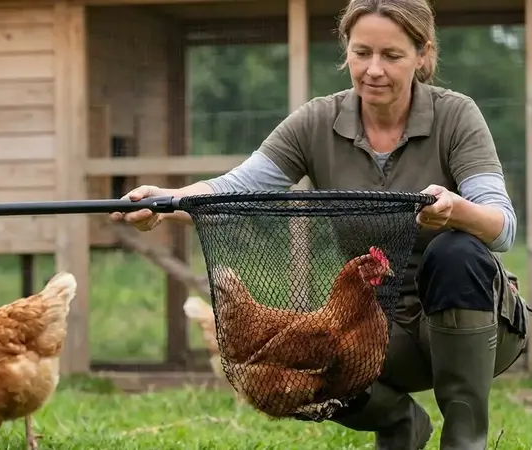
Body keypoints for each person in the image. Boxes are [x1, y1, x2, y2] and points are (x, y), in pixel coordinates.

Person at [109, 0, 530, 448]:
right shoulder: (317, 121)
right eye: (361, 52)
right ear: (345, 49)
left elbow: (501, 226)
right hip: (381, 334)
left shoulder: (456, 116)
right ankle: (400, 423)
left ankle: (465, 442)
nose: (373, 70)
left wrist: (456, 211)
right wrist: (167, 202)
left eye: (391, 55)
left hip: (476, 324)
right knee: (303, 356)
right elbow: (236, 189)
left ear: (422, 54)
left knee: (456, 250)